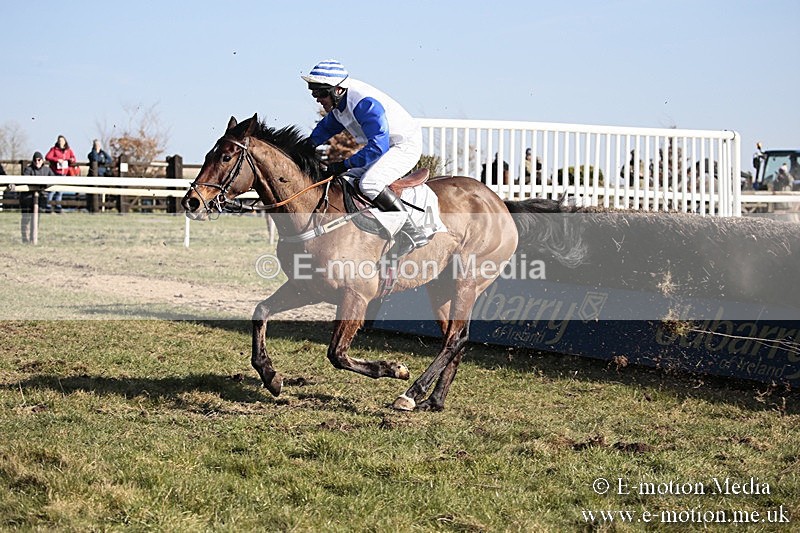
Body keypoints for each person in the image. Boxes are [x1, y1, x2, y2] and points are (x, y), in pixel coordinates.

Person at [302, 59, 429, 255]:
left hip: (404, 144)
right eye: (313, 92)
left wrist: (345, 163)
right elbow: (327, 127)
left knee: (369, 183)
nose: (316, 98)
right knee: (343, 181)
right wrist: (306, 146)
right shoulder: (340, 103)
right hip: (385, 145)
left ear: (337, 90)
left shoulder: (364, 103)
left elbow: (378, 146)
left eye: (320, 93)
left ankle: (411, 231)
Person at [20, 151, 54, 243]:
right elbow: (25, 179)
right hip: (27, 198)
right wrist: (38, 185)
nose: (37, 162)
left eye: (39, 160)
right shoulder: (28, 169)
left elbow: (54, 179)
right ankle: (25, 238)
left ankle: (33, 238)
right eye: (35, 160)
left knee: (36, 218)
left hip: (40, 198)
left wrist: (44, 185)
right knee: (26, 218)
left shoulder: (47, 170)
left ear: (42, 160)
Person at [45, 135, 77, 212]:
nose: (61, 142)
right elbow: (47, 157)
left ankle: (58, 206)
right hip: (55, 172)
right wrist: (57, 160)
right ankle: (48, 206)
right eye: (59, 141)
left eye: (62, 141)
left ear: (65, 141)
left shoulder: (68, 150)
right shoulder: (54, 149)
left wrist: (71, 160)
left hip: (64, 173)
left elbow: (73, 158)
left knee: (60, 190)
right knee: (52, 190)